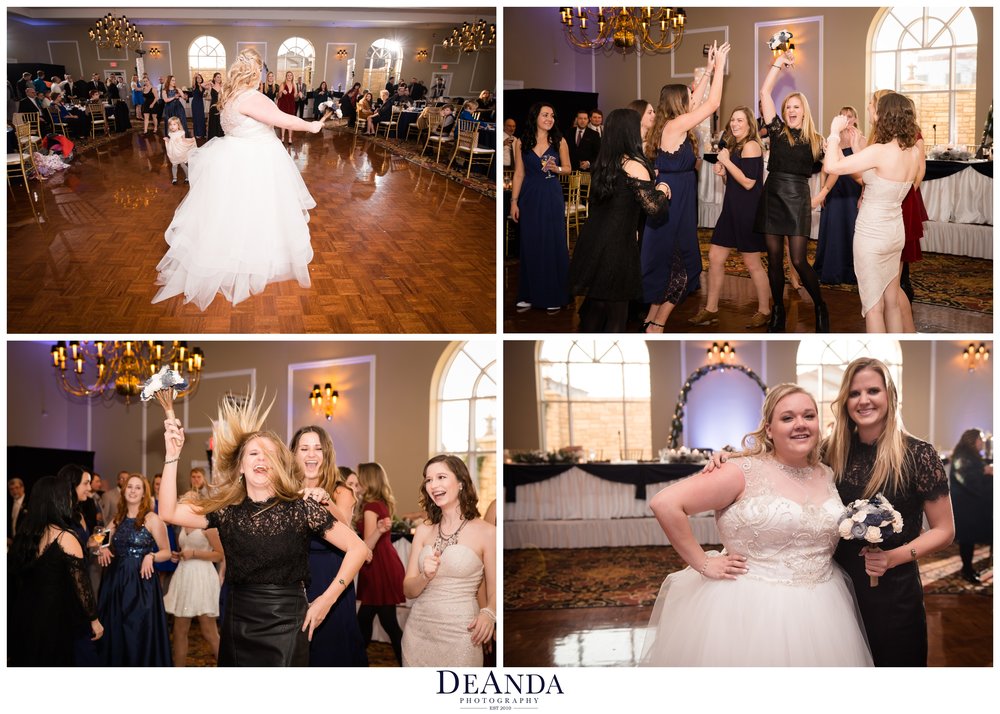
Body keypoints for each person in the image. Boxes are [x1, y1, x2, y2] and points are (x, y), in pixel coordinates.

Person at [640, 384, 872, 666]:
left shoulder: (826, 472)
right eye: (787, 418)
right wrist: (702, 562)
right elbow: (665, 504)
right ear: (769, 429)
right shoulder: (741, 470)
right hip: (750, 607)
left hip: (825, 605)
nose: (800, 424)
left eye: (808, 416)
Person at [157, 393, 370, 666]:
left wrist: (326, 600)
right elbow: (168, 512)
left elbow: (358, 548)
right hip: (238, 621)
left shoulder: (300, 508)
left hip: (288, 622)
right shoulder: (227, 510)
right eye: (253, 453)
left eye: (269, 454)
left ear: (278, 464)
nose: (261, 459)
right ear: (242, 466)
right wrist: (172, 456)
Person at [151, 48, 326, 311]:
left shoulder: (230, 96)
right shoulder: (252, 98)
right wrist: (312, 126)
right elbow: (282, 119)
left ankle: (227, 251)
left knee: (231, 210)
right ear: (256, 72)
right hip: (256, 159)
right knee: (257, 209)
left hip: (231, 156)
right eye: (263, 71)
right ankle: (250, 259)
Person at [827, 357, 954, 666]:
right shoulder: (829, 453)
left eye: (873, 390)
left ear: (890, 396)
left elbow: (945, 530)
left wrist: (892, 558)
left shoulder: (919, 454)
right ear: (845, 402)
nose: (864, 400)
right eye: (855, 394)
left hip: (896, 594)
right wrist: (732, 458)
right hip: (837, 593)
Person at [641, 42, 731, 333]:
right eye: (688, 96)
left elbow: (696, 99)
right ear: (678, 103)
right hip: (674, 198)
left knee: (670, 258)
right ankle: (657, 323)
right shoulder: (676, 126)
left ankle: (651, 318)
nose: (693, 97)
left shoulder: (668, 124)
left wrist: (708, 69)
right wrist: (720, 67)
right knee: (681, 263)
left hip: (676, 194)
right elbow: (712, 103)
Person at [823, 92, 922, 333]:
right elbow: (871, 180)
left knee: (873, 307)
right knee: (892, 304)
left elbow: (830, 167)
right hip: (894, 233)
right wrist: (857, 148)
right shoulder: (913, 152)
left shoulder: (878, 151)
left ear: (883, 115)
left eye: (873, 108)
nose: (870, 111)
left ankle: (878, 355)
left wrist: (835, 134)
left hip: (872, 235)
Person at [568, 107, 670, 332]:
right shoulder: (634, 164)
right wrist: (662, 189)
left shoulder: (604, 162)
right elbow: (654, 209)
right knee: (617, 315)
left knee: (596, 308)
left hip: (593, 239)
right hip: (616, 245)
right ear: (629, 131)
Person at [756, 50, 828, 332]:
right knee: (774, 261)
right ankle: (778, 311)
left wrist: (822, 194)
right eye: (788, 108)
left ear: (804, 110)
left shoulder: (817, 141)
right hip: (773, 195)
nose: (791, 111)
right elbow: (764, 92)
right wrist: (778, 65)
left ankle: (821, 306)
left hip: (798, 198)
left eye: (796, 107)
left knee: (798, 260)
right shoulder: (776, 131)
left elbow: (834, 167)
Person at [402, 455, 496, 667]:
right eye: (428, 480)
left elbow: (495, 590)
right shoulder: (423, 530)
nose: (433, 485)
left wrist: (489, 613)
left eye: (441, 477)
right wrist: (425, 576)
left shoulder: (487, 533)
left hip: (462, 633)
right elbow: (408, 590)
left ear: (461, 483)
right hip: (417, 632)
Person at [291, 426, 368, 666]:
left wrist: (325, 500)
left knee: (331, 655)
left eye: (318, 449)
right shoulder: (287, 491)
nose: (311, 454)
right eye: (304, 448)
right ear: (293, 453)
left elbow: (346, 527)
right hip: (294, 584)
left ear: (327, 455)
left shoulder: (340, 491)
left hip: (331, 583)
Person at [688, 105, 771, 329]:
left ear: (749, 124)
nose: (734, 124)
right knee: (715, 256)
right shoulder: (736, 145)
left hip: (748, 211)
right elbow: (734, 181)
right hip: (731, 209)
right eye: (732, 120)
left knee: (752, 263)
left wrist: (726, 163)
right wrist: (724, 173)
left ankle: (765, 310)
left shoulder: (752, 146)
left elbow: (748, 183)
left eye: (739, 120)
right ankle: (711, 309)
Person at [8, 475, 104, 665]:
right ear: (58, 500)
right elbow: (82, 586)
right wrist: (94, 620)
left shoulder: (26, 534)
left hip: (25, 614)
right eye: (67, 495)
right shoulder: (65, 537)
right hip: (55, 618)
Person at [96, 473, 173, 666]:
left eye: (138, 487)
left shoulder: (152, 519)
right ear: (124, 490)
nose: (132, 490)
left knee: (138, 632)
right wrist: (102, 547)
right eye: (130, 486)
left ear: (143, 493)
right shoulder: (118, 518)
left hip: (141, 585)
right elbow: (99, 539)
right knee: (116, 630)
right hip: (116, 583)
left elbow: (167, 552)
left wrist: (151, 556)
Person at [510, 102, 571, 314]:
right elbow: (519, 173)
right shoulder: (520, 142)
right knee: (530, 244)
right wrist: (514, 202)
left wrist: (557, 168)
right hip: (529, 195)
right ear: (535, 116)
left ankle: (553, 294)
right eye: (545, 114)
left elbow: (569, 169)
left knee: (551, 243)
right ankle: (527, 294)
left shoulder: (559, 140)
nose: (549, 118)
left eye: (552, 115)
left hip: (551, 194)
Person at [162, 491, 223, 666]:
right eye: (181, 500)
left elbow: (219, 555)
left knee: (208, 630)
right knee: (179, 630)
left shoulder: (207, 525)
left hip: (202, 577)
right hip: (184, 576)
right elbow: (185, 549)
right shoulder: (182, 524)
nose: (181, 503)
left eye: (185, 500)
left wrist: (194, 553)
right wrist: (178, 555)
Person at [355, 462, 406, 665]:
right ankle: (358, 661)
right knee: (371, 620)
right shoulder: (380, 503)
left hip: (377, 568)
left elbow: (368, 545)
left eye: (360, 478)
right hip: (383, 564)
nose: (357, 482)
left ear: (367, 480)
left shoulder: (370, 507)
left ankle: (357, 661)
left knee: (381, 622)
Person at [813, 106, 864, 285]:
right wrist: (822, 191)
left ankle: (850, 272)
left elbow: (866, 172)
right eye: (843, 116)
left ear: (856, 119)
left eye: (850, 116)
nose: (847, 119)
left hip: (852, 190)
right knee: (833, 228)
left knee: (851, 230)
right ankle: (831, 268)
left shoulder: (860, 139)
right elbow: (823, 169)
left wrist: (863, 194)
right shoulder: (833, 139)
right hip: (834, 189)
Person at [948, 429, 992, 584]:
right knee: (967, 539)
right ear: (973, 440)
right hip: (966, 507)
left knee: (970, 539)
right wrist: (984, 470)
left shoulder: (970, 455)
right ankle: (967, 570)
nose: (983, 442)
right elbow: (967, 478)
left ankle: (969, 568)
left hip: (972, 506)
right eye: (980, 439)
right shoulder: (962, 455)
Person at [164, 115, 196, 185]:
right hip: (174, 152)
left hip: (180, 152)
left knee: (183, 165)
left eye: (174, 124)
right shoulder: (170, 133)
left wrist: (191, 141)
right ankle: (174, 178)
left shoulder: (181, 132)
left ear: (178, 125)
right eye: (170, 125)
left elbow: (184, 141)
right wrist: (167, 139)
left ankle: (187, 177)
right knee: (174, 165)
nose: (172, 126)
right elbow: (172, 141)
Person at [277, 71, 298, 143]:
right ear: (286, 76)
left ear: (292, 77)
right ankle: (282, 137)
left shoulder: (294, 85)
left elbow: (295, 96)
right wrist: (281, 92)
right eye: (288, 75)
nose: (289, 77)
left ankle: (290, 138)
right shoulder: (283, 84)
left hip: (291, 105)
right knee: (284, 121)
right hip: (284, 105)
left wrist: (298, 94)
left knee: (290, 122)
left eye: (290, 75)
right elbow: (279, 96)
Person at [207, 71, 224, 139]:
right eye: (217, 77)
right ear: (214, 78)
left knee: (220, 122)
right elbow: (202, 85)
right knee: (213, 123)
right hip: (213, 107)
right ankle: (213, 137)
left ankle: (220, 137)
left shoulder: (222, 86)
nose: (219, 78)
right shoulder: (211, 86)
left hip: (220, 106)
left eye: (220, 77)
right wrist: (209, 82)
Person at [190, 73, 207, 138]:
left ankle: (203, 133)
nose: (199, 79)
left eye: (200, 78)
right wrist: (195, 76)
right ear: (196, 79)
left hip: (200, 103)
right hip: (195, 103)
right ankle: (197, 133)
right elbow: (193, 81)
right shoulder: (194, 85)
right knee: (196, 118)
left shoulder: (203, 86)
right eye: (198, 78)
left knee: (201, 117)